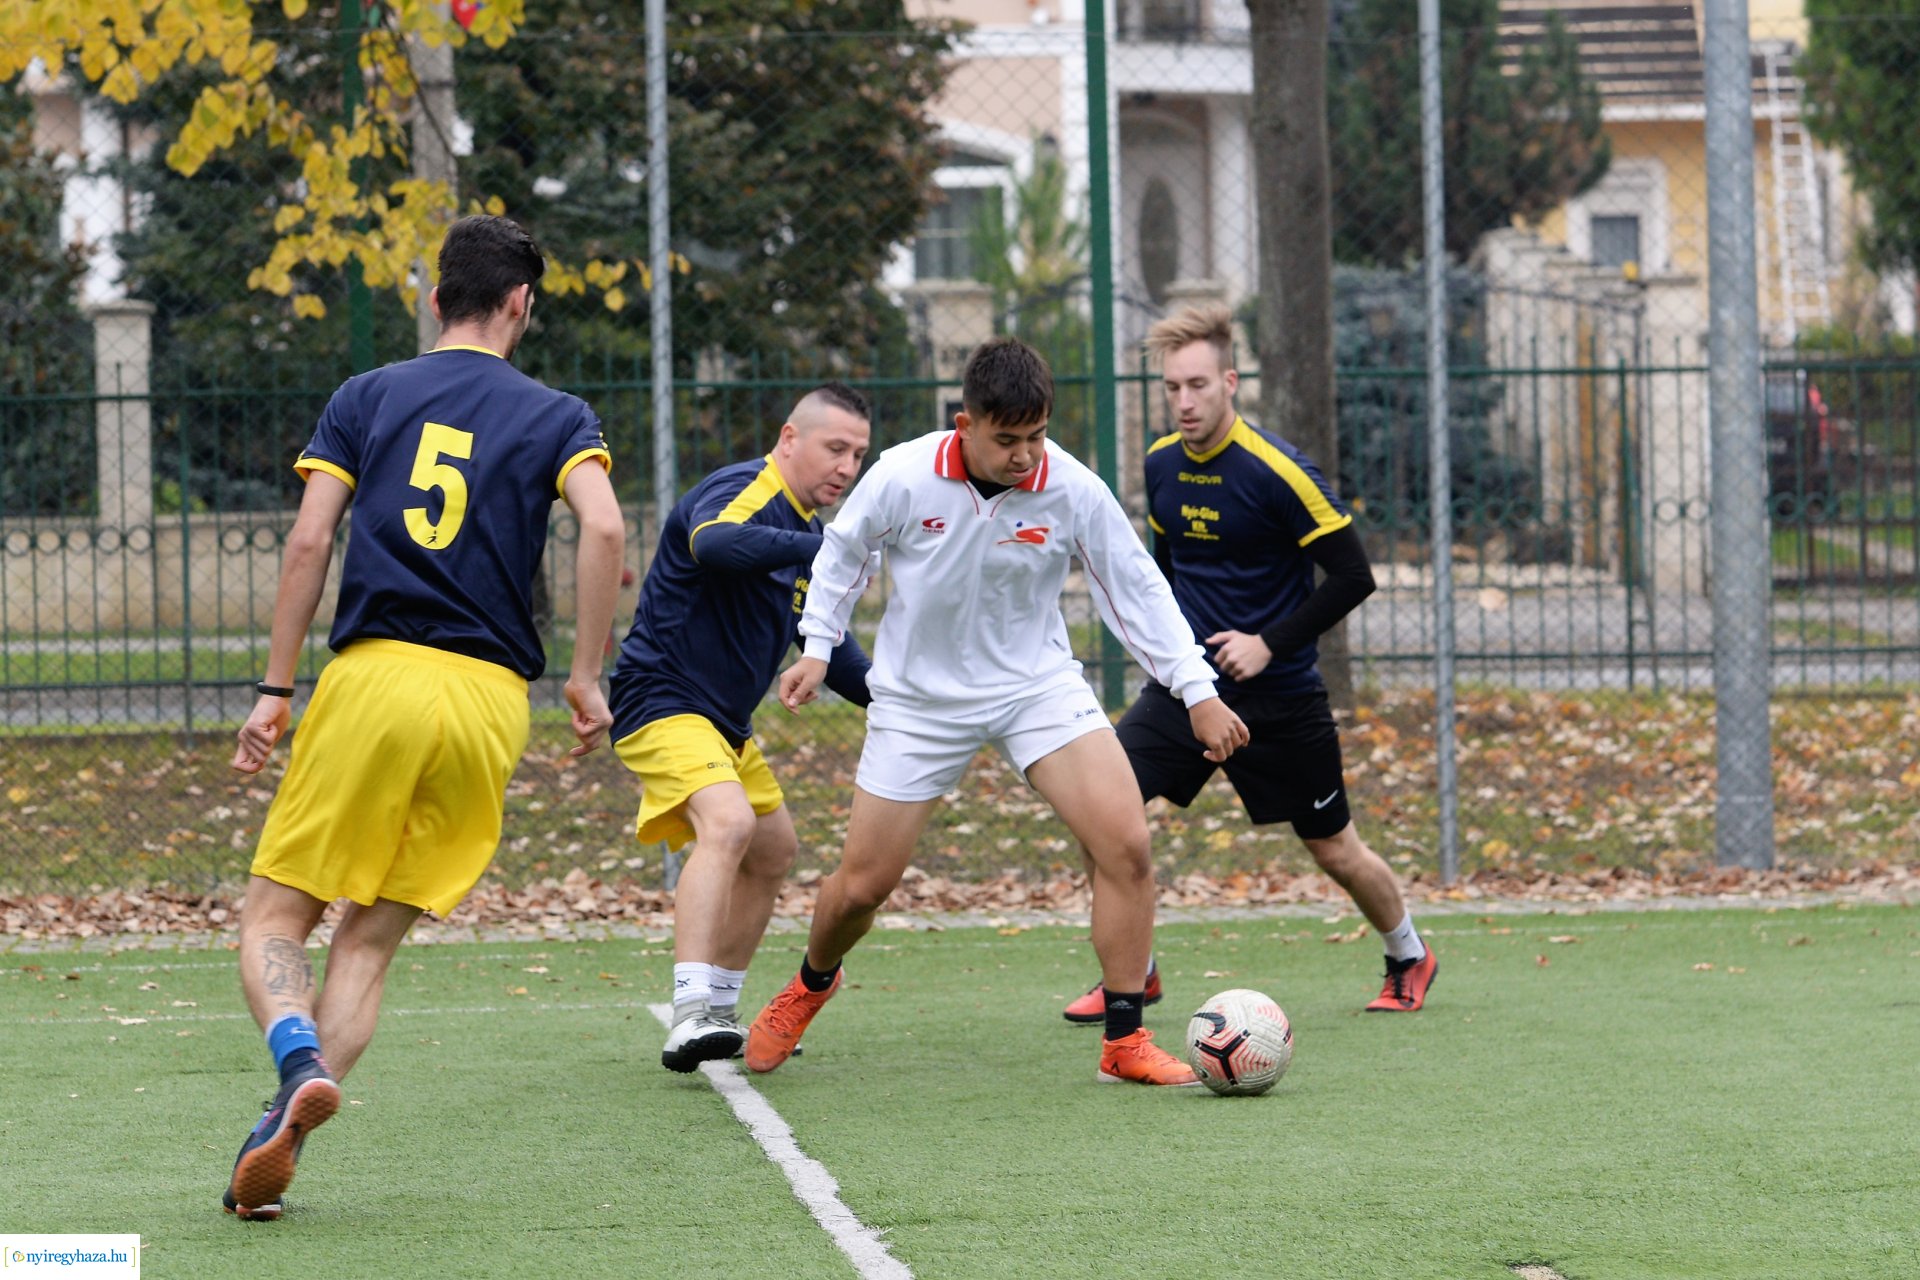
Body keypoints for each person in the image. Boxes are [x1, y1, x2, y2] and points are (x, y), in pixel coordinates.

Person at [222, 214, 625, 1220]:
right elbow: (608, 524)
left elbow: (312, 541)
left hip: (376, 679)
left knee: (278, 912)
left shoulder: (369, 394)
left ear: (436, 299)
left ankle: (295, 1058)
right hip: (490, 703)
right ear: (520, 307)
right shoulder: (560, 412)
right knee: (367, 941)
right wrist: (585, 674)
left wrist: (275, 690)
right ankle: (287, 1118)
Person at [746, 336, 1249, 1087]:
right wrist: (818, 646)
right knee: (861, 888)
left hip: (1035, 689)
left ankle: (1125, 1038)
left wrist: (1197, 691)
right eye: (1007, 439)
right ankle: (812, 981)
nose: (1025, 456)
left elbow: (1137, 591)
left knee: (1127, 845)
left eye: (1037, 436)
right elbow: (843, 555)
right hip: (920, 702)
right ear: (965, 424)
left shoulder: (1072, 487)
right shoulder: (906, 475)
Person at [1059, 303, 1435, 1025]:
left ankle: (1409, 953)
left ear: (1230, 381)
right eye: (1173, 388)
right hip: (1188, 693)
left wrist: (1268, 643)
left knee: (1334, 850)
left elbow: (1355, 576)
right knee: (1101, 814)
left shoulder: (1281, 472)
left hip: (1282, 698)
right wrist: (1171, 664)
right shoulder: (1162, 466)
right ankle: (1131, 970)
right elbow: (1161, 582)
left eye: (1198, 384)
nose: (1185, 401)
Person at [609, 383, 876, 1073]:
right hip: (659, 698)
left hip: (721, 723)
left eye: (859, 455)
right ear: (790, 438)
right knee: (727, 823)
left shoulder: (808, 541)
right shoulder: (746, 489)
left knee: (771, 848)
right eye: (835, 448)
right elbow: (714, 541)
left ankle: (718, 1009)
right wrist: (822, 551)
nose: (847, 467)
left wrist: (907, 703)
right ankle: (690, 1009)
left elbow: (834, 653)